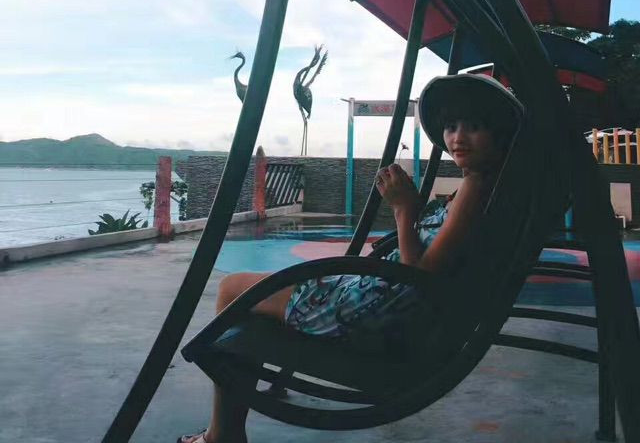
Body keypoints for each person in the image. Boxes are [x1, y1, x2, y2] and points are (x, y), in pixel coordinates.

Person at [179, 73, 523, 443]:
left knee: (233, 289)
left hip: (374, 311)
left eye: (474, 126)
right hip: (382, 299)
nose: (458, 138)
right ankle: (225, 431)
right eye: (451, 126)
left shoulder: (474, 188)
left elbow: (420, 278)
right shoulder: (490, 191)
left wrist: (403, 211)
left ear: (499, 134)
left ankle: (223, 436)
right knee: (254, 301)